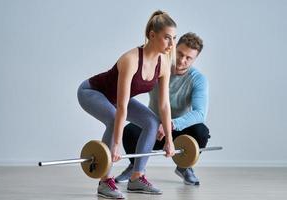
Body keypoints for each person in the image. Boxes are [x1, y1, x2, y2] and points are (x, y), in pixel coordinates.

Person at [77, 10, 177, 199]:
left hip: (116, 98)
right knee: (114, 119)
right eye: (167, 38)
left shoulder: (163, 62)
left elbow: (164, 104)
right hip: (92, 92)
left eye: (174, 38)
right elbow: (121, 107)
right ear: (152, 35)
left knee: (152, 122)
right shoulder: (130, 60)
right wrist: (115, 145)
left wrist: (169, 141)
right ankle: (105, 181)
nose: (172, 44)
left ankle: (137, 177)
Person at [115, 32, 210, 186]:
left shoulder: (198, 79)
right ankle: (136, 167)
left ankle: (184, 166)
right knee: (129, 131)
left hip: (179, 129)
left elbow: (200, 113)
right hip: (153, 127)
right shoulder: (157, 67)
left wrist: (170, 125)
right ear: (174, 48)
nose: (182, 60)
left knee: (201, 132)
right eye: (180, 53)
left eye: (188, 58)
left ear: (195, 59)